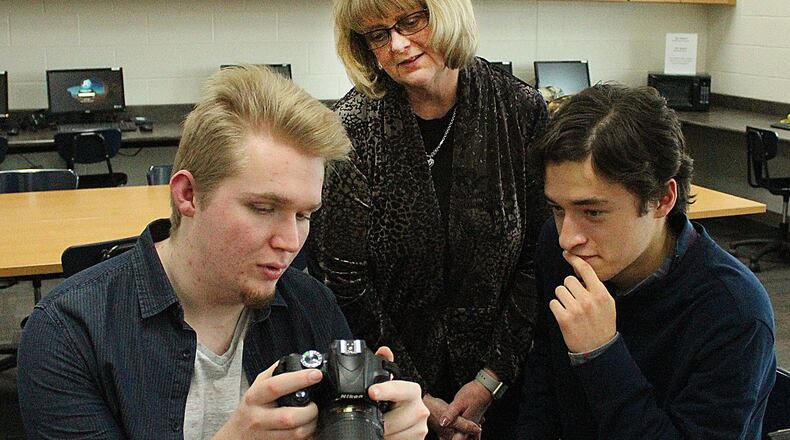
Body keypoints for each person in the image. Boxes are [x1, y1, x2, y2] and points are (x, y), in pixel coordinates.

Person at [17, 65, 429, 440]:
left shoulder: (311, 305)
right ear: (188, 195)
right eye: (263, 208)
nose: (290, 241)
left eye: (303, 214)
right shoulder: (69, 332)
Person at [307, 1, 548, 438]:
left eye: (411, 21)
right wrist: (413, 391)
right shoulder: (350, 129)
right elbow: (343, 282)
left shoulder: (519, 110)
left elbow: (537, 256)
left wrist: (490, 380)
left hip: (506, 392)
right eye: (378, 35)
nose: (398, 44)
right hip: (387, 399)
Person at [517, 84, 777, 439]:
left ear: (662, 198)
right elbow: (544, 386)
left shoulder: (734, 312)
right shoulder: (559, 249)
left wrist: (600, 354)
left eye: (593, 211)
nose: (568, 238)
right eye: (558, 209)